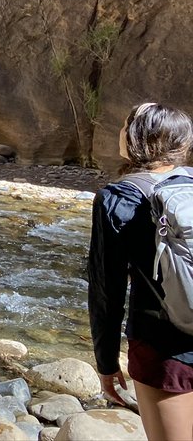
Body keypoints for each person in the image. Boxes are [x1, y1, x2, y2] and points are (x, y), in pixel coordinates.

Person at [89, 101, 193, 440]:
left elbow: (107, 291)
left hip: (162, 348)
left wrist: (106, 363)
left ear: (134, 140)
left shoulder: (118, 198)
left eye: (125, 125)